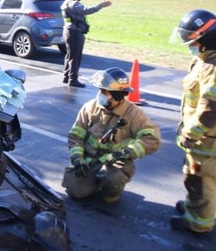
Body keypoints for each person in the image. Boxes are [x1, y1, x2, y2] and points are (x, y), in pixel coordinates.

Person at [169, 9, 216, 233]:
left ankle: (199, 222)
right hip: (206, 135)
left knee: (200, 179)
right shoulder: (210, 56)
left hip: (207, 137)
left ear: (204, 38)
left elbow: (212, 110)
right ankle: (195, 206)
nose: (190, 45)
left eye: (192, 40)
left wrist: (190, 134)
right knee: (195, 176)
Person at [61, 67, 161, 203]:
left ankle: (111, 188)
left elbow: (152, 138)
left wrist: (125, 153)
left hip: (116, 162)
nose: (99, 94)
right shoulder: (90, 107)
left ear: (117, 95)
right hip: (91, 159)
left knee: (112, 183)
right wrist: (78, 159)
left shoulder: (134, 114)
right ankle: (94, 181)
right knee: (75, 191)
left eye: (103, 91)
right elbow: (76, 135)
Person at [61, 0, 112, 88]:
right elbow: (87, 10)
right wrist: (101, 5)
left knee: (70, 56)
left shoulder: (66, 2)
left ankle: (66, 77)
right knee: (75, 57)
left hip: (68, 30)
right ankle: (73, 79)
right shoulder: (73, 4)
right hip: (74, 32)